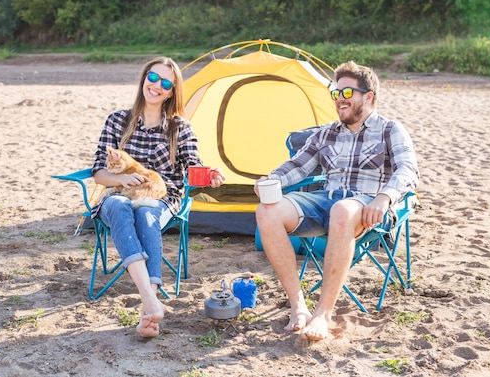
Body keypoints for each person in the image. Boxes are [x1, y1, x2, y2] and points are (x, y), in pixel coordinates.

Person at [255, 60, 419, 341]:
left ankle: (323, 314)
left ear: (368, 96)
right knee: (267, 210)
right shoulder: (326, 133)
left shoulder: (391, 130)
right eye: (335, 93)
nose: (339, 100)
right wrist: (270, 180)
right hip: (324, 201)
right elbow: (296, 166)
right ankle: (299, 308)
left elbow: (408, 170)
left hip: (367, 206)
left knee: (343, 210)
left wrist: (384, 197)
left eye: (346, 93)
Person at [91, 57, 225, 338]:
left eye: (166, 83)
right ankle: (150, 301)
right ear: (144, 78)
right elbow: (99, 173)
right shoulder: (118, 120)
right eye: (153, 78)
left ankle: (148, 306)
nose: (157, 86)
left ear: (172, 91)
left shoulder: (180, 128)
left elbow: (192, 166)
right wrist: (121, 180)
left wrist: (209, 175)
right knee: (118, 205)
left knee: (146, 212)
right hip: (118, 194)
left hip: (161, 199)